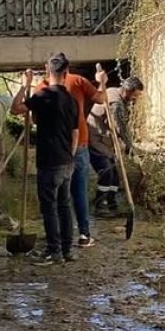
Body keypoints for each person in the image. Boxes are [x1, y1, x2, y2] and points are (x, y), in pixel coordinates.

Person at [11, 54, 80, 264]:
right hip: (67, 160)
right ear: (66, 73)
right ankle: (67, 250)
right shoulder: (71, 99)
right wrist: (70, 155)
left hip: (49, 162)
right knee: (65, 205)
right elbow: (75, 133)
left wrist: (25, 85)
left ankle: (54, 251)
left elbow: (15, 109)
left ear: (47, 71)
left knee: (49, 207)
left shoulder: (43, 96)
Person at [34, 59, 107, 248]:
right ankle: (83, 234)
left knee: (55, 197)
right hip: (79, 143)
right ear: (66, 71)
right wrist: (102, 82)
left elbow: (34, 118)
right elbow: (101, 99)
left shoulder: (41, 88)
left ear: (46, 69)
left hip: (53, 151)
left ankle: (57, 239)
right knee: (78, 191)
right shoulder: (78, 81)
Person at [89, 68, 145, 215]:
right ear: (128, 91)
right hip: (96, 141)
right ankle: (99, 206)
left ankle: (112, 205)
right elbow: (119, 127)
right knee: (107, 172)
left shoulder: (114, 92)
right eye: (135, 95)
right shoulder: (116, 103)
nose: (135, 99)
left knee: (114, 176)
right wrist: (129, 147)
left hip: (104, 141)